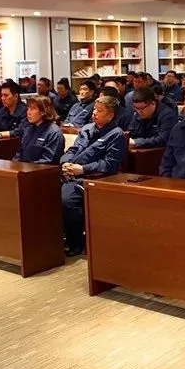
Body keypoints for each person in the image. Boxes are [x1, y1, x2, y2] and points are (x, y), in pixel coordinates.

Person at [60, 96, 128, 256]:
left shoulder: (116, 134)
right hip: (70, 172)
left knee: (67, 199)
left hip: (93, 177)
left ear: (110, 115)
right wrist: (65, 162)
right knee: (41, 189)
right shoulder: (87, 128)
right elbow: (73, 149)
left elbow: (109, 164)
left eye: (99, 110)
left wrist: (82, 169)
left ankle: (75, 242)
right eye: (94, 109)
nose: (94, 113)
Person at [14, 96, 65, 164]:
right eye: (28, 109)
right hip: (25, 167)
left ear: (43, 111)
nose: (28, 112)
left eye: (32, 109)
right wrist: (15, 164)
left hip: (42, 169)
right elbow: (19, 154)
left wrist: (27, 167)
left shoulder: (54, 132)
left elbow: (48, 160)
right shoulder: (28, 129)